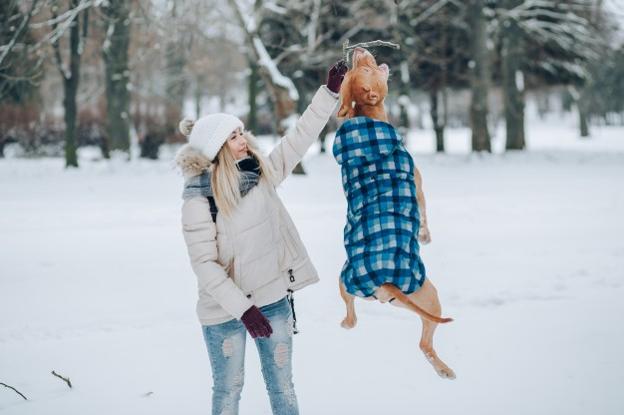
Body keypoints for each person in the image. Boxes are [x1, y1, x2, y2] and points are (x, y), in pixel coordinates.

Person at [175, 61, 347, 415]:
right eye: (235, 136)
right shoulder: (198, 198)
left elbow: (299, 137)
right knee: (228, 389)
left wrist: (329, 93)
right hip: (223, 312)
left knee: (283, 389)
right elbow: (204, 266)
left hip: (272, 300)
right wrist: (243, 310)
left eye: (242, 132)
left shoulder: (261, 173)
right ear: (218, 147)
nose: (244, 141)